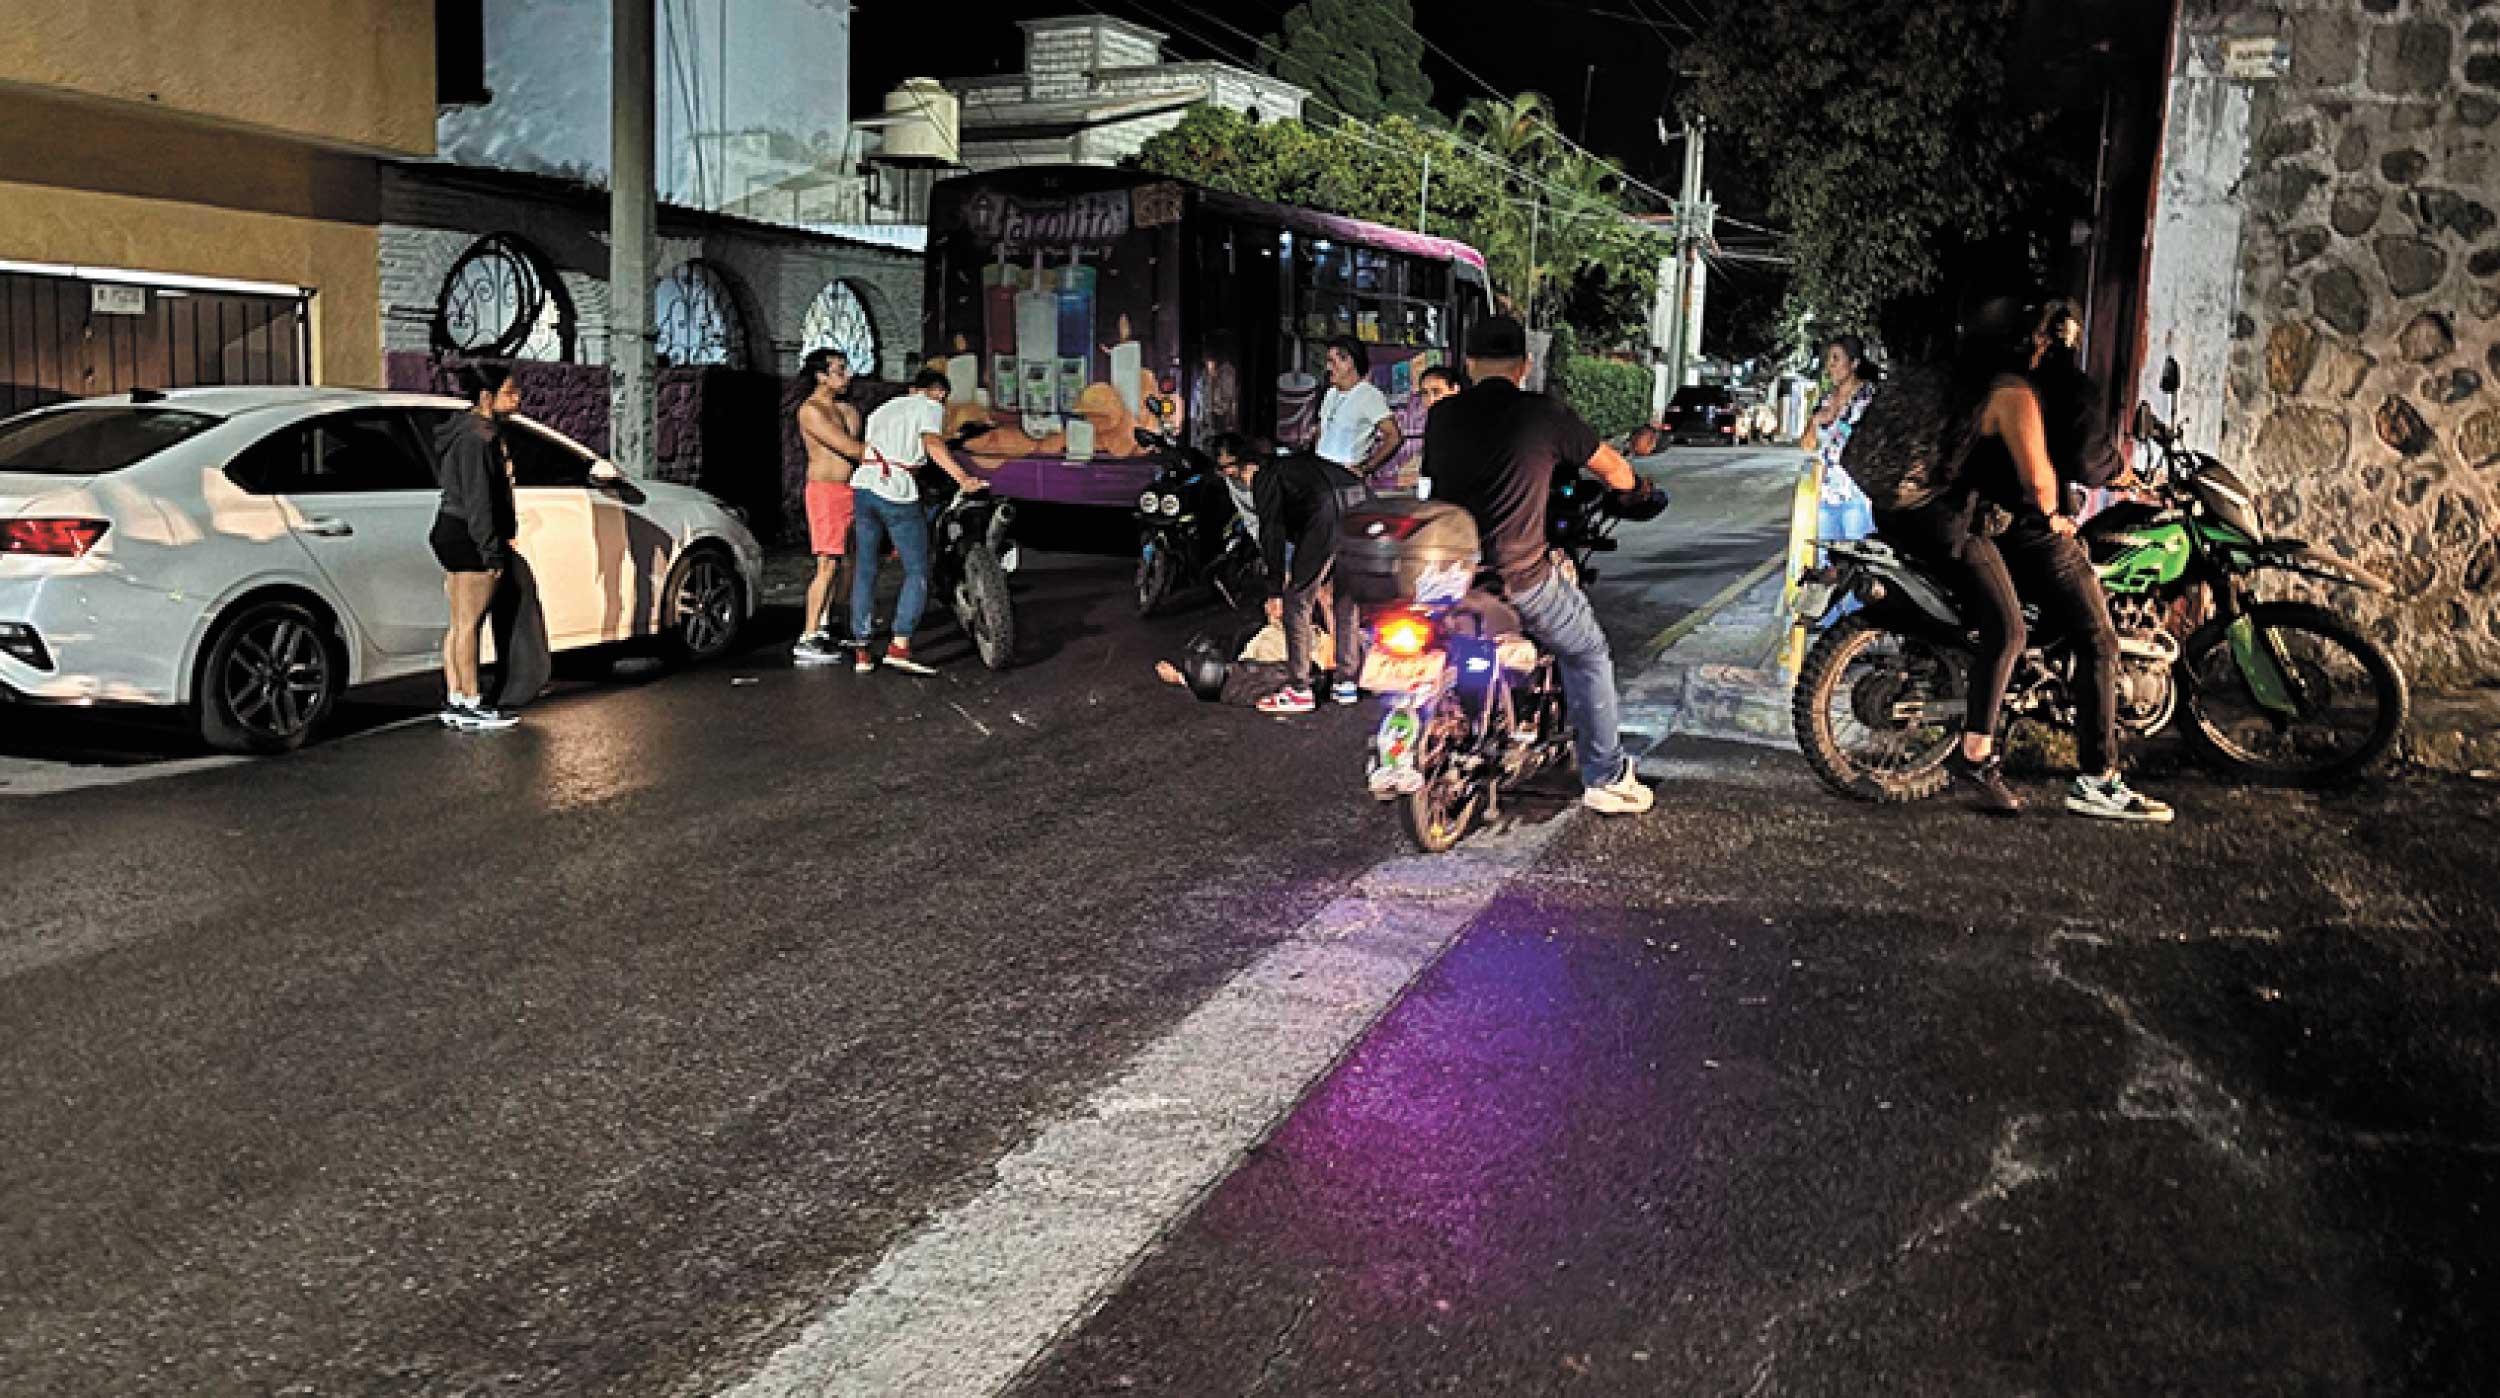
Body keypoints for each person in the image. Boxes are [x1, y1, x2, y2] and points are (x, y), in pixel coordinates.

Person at [1881, 299, 2170, 823]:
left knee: (2020, 622)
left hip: (1949, 516)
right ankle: (2096, 778)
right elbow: (2052, 477)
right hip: (1995, 523)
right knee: (2094, 638)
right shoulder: (2024, 390)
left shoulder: (1966, 377)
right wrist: (2061, 512)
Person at [1421, 315, 1655, 816]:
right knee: (1588, 652)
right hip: (1519, 577)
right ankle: (1607, 776)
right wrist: (1637, 490)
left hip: (1447, 576)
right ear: (1524, 366)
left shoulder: (1442, 416)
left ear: (1469, 363)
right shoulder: (1545, 415)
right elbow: (1615, 470)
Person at [851, 369, 986, 676]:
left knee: (866, 568)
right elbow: (932, 444)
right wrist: (964, 478)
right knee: (917, 570)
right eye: (943, 397)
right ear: (938, 392)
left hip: (863, 486)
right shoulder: (929, 406)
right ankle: (899, 647)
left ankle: (862, 651)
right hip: (896, 489)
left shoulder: (883, 409)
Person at [1214, 434, 1346, 715]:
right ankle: (1345, 681)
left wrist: (1274, 590)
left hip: (1327, 515)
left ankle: (1300, 689)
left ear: (1244, 463)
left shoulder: (1265, 477)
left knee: (1297, 601)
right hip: (1354, 503)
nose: (1225, 475)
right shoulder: (1292, 466)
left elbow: (1271, 532)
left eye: (1226, 467)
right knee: (1340, 595)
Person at [429, 364, 523, 732]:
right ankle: (470, 701)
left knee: (459, 622)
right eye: (509, 392)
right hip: (467, 534)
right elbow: (479, 501)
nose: (517, 398)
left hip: (452, 529)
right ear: (487, 397)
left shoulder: (467, 432)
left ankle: (456, 698)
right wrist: (491, 550)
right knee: (469, 623)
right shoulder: (477, 439)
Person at [791, 348, 865, 666]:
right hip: (826, 492)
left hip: (850, 490)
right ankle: (808, 636)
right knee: (828, 564)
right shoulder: (811, 411)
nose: (847, 375)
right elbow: (849, 447)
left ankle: (830, 624)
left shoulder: (847, 410)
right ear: (821, 376)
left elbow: (857, 444)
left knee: (849, 563)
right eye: (839, 370)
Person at [1800, 335, 1882, 549]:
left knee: (1858, 557)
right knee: (1825, 560)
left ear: (1854, 363)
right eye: (1829, 359)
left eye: (1836, 358)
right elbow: (1807, 446)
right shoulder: (1825, 400)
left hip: (1857, 496)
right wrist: (1815, 421)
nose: (1830, 365)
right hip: (1826, 496)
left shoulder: (1870, 398)